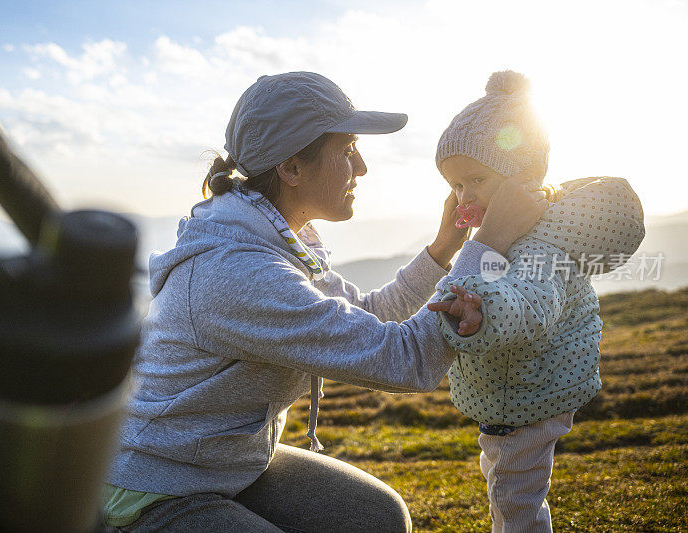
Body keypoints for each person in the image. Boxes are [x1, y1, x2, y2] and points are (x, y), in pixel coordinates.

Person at [102, 71, 548, 533]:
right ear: (291, 168)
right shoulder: (239, 273)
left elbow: (369, 315)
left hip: (229, 464)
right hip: (154, 487)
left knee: (377, 518)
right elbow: (406, 360)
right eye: (348, 149)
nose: (362, 168)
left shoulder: (283, 239)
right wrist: (490, 243)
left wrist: (444, 248)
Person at [427, 70, 646, 532]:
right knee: (505, 483)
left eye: (476, 180)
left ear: (520, 176)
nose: (464, 197)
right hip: (518, 389)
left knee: (514, 500)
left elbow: (528, 306)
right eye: (455, 187)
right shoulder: (512, 234)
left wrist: (479, 312)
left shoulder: (541, 247)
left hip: (526, 396)